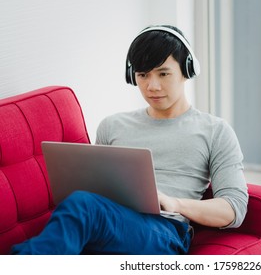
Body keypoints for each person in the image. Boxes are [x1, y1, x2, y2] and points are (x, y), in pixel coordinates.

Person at [11, 25, 248, 255]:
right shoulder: (112, 125)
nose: (152, 86)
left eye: (163, 74)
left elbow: (233, 209)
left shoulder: (215, 130)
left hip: (165, 231)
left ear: (187, 71)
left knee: (82, 206)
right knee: (79, 209)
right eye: (143, 75)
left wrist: (174, 203)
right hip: (108, 222)